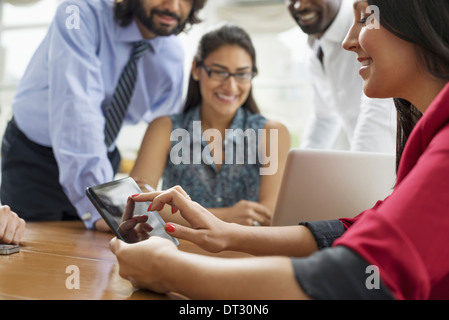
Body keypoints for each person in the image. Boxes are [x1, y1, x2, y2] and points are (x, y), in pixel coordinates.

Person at [110, 0, 449, 300]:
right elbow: (358, 229)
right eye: (219, 72)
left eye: (364, 18)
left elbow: (355, 276)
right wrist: (229, 233)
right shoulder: (430, 143)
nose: (347, 41)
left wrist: (166, 268)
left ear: (420, 17)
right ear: (197, 71)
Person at [0, 0, 206, 231]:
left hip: (102, 157)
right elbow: (77, 108)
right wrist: (105, 203)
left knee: (93, 256)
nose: (173, 6)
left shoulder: (172, 54)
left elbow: (164, 126)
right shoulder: (77, 13)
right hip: (35, 160)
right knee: (30, 253)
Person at [130, 24, 290, 226]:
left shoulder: (272, 133)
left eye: (242, 74)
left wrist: (177, 214)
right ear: (197, 69)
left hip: (245, 255)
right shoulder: (164, 128)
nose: (231, 86)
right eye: (219, 72)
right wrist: (226, 216)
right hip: (179, 252)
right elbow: (136, 204)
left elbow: (268, 215)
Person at [287, 0, 396, 152]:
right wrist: (301, 166)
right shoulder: (315, 44)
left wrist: (357, 165)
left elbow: (380, 106)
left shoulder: (369, 26)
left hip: (386, 155)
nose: (300, 5)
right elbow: (324, 116)